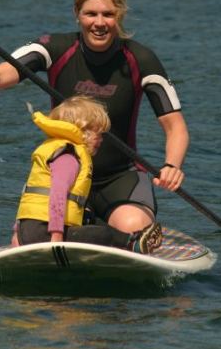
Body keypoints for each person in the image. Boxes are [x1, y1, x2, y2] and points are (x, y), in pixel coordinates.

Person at [0, 0, 188, 236]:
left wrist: (172, 165)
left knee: (134, 227)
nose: (99, 23)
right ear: (77, 13)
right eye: (90, 14)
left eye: (108, 14)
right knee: (30, 237)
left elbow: (175, 127)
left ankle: (112, 231)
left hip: (118, 178)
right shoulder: (53, 48)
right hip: (61, 172)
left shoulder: (141, 59)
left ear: (120, 14)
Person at [14, 95, 163, 254]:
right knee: (102, 235)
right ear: (82, 130)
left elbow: (26, 198)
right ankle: (131, 243)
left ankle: (132, 241)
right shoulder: (69, 157)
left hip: (29, 231)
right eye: (98, 133)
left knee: (88, 217)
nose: (101, 139)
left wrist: (17, 233)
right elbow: (57, 194)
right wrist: (56, 236)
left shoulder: (53, 149)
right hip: (45, 233)